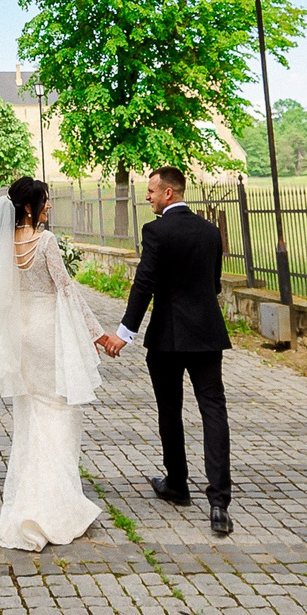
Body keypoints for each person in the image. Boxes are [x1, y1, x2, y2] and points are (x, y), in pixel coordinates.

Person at [95, 164, 232, 536]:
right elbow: (214, 283)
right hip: (207, 335)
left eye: (152, 191)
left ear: (168, 193)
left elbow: (145, 285)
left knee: (170, 410)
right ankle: (219, 503)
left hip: (169, 337)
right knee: (213, 410)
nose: (148, 197)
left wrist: (124, 333)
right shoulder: (209, 231)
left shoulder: (156, 231)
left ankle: (178, 484)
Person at [0, 175, 103, 550]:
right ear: (29, 207)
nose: (49, 206)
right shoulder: (45, 242)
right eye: (45, 201)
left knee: (30, 417)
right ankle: (56, 505)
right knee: (60, 415)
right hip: (48, 334)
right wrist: (94, 333)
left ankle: (28, 499)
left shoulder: (3, 243)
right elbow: (66, 289)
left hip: (21, 337)